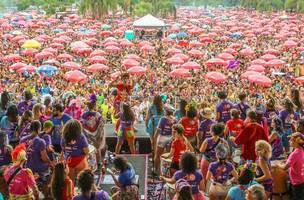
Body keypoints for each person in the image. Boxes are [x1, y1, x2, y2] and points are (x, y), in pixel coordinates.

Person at [81, 94, 106, 171]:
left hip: (88, 136)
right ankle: (99, 163)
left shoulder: (83, 115)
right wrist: (99, 135)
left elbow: (82, 125)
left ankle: (91, 165)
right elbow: (101, 125)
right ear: (94, 105)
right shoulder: (97, 114)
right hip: (97, 135)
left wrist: (86, 134)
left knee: (91, 149)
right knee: (97, 149)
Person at [276, 132, 304, 200]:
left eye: (291, 140)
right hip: (301, 180)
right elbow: (296, 161)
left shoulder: (294, 153)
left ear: (296, 142)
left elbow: (285, 167)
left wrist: (278, 164)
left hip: (296, 183)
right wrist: (286, 161)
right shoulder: (301, 150)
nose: (289, 141)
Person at [154, 105, 176, 173]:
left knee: (158, 154)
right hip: (171, 137)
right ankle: (166, 171)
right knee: (168, 155)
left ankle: (155, 169)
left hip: (162, 137)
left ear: (166, 111)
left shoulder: (163, 119)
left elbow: (158, 130)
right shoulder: (175, 119)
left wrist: (154, 138)